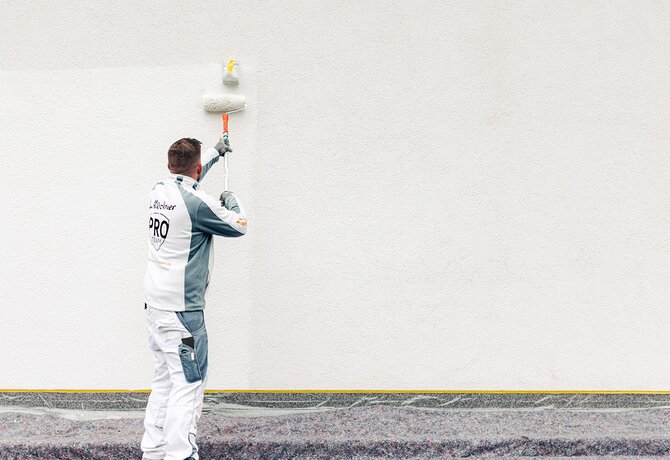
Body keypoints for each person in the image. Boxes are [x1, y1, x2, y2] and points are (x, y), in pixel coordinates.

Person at [141, 137, 247, 460]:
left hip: (155, 307)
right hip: (183, 313)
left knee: (164, 381)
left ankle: (154, 451)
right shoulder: (199, 205)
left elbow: (188, 179)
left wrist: (215, 152)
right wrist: (232, 200)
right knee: (189, 385)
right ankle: (181, 454)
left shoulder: (158, 190)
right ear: (197, 168)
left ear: (168, 165)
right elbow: (239, 225)